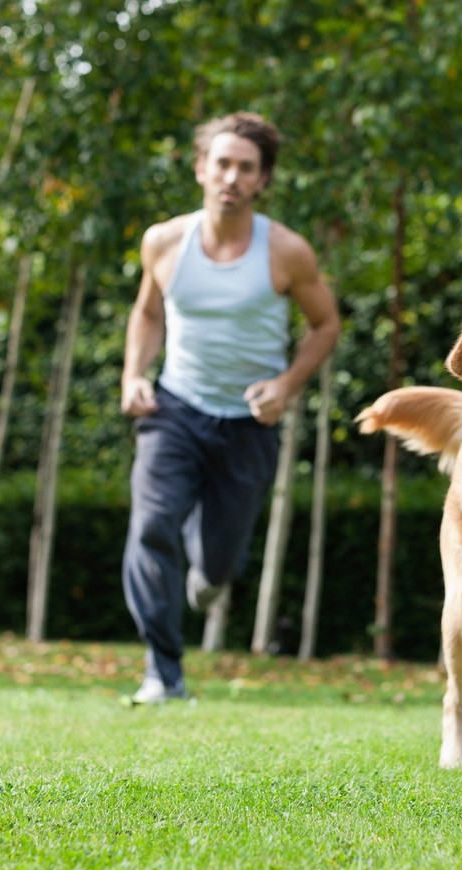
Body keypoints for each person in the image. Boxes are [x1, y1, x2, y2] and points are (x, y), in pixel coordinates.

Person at [120, 112, 340, 704]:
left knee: (218, 559)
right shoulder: (165, 241)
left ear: (262, 179)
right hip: (175, 407)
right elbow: (147, 311)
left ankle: (210, 576)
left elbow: (325, 325)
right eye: (221, 163)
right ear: (200, 168)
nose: (231, 177)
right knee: (151, 527)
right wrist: (133, 375)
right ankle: (163, 673)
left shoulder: (286, 250)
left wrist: (287, 386)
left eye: (246, 168)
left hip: (249, 421)